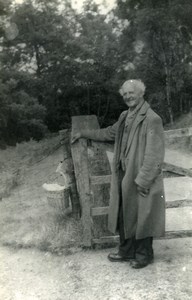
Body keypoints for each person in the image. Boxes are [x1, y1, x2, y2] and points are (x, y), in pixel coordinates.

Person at [71, 79, 165, 269]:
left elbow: (155, 154)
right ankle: (126, 251)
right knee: (124, 213)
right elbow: (109, 133)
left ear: (141, 93)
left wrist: (144, 181)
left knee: (143, 215)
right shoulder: (125, 115)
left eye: (132, 93)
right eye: (125, 94)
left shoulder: (151, 118)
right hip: (124, 175)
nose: (128, 97)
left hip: (140, 177)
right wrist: (83, 134)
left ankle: (144, 255)